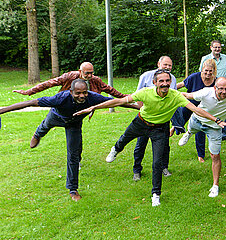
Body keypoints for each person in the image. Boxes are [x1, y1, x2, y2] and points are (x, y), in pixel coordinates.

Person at [74, 69, 226, 207]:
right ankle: (115, 150)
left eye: (167, 81)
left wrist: (216, 120)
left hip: (160, 129)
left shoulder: (175, 95)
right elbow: (120, 101)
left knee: (157, 163)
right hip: (141, 122)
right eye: (161, 81)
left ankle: (156, 194)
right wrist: (94, 106)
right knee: (124, 139)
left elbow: (196, 109)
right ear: (155, 82)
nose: (165, 83)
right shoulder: (146, 92)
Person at [0, 79, 137, 201]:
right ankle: (37, 135)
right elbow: (31, 102)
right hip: (56, 117)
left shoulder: (93, 97)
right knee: (45, 126)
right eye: (78, 93)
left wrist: (136, 106)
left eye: (84, 92)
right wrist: (4, 110)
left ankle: (73, 189)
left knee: (73, 155)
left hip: (74, 124)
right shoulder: (60, 98)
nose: (82, 96)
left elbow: (116, 102)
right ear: (71, 91)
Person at [132, 56, 177, 181]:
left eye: (170, 65)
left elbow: (174, 99)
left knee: (164, 145)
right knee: (141, 144)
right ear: (158, 64)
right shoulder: (146, 76)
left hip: (163, 119)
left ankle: (164, 167)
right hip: (145, 119)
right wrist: (142, 112)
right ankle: (137, 170)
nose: (167, 67)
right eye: (165, 65)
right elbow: (138, 96)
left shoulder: (172, 79)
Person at [170, 59, 217, 163]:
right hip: (189, 103)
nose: (208, 73)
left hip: (203, 109)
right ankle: (175, 128)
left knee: (200, 130)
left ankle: (200, 155)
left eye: (210, 71)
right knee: (181, 116)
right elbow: (181, 85)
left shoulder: (216, 82)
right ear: (202, 70)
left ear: (214, 71)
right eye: (206, 71)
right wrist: (169, 89)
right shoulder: (194, 77)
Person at [12, 62, 127, 98]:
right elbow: (49, 83)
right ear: (80, 71)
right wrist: (29, 92)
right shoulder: (70, 76)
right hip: (66, 100)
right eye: (87, 73)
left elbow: (109, 89)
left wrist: (125, 97)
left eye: (92, 73)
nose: (90, 75)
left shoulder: (95, 80)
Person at [199, 40, 226, 141]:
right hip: (210, 86)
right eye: (215, 47)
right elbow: (201, 72)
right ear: (211, 48)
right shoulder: (205, 58)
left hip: (223, 87)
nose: (217, 49)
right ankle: (209, 131)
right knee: (209, 108)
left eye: (219, 47)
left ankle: (225, 135)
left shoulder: (225, 58)